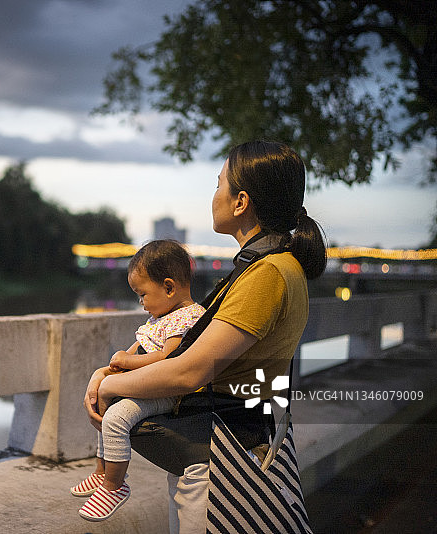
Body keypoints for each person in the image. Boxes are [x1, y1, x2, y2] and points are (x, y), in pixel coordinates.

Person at [83, 140, 327, 533]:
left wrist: (111, 385)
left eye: (219, 185)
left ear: (241, 201)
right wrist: (108, 375)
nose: (213, 195)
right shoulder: (269, 267)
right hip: (230, 445)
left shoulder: (267, 274)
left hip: (224, 461)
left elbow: (188, 372)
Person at [72, 239, 206, 522]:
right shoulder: (161, 317)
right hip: (146, 384)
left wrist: (127, 362)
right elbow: (138, 349)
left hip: (166, 391)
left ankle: (115, 485)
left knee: (117, 417)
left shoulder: (189, 317)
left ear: (169, 287)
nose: (141, 302)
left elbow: (168, 358)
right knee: (106, 408)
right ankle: (101, 471)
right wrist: (115, 365)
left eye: (143, 294)